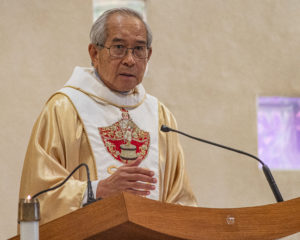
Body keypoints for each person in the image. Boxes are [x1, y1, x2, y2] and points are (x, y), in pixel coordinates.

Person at [19, 8, 197, 225]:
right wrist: (99, 190)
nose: (130, 60)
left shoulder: (161, 118)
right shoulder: (64, 109)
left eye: (139, 49)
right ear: (95, 54)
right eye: (119, 48)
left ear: (148, 55)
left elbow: (181, 202)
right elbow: (38, 198)